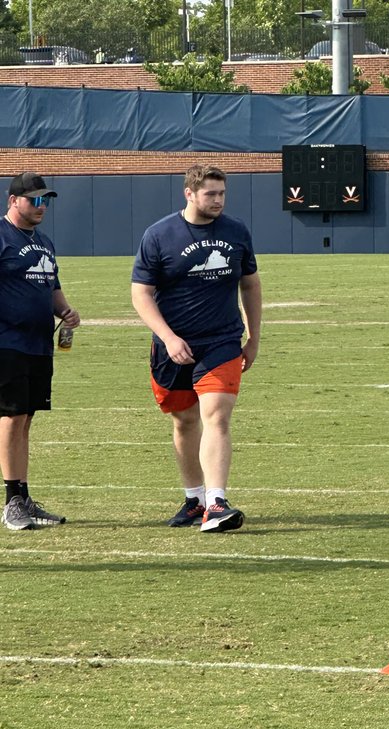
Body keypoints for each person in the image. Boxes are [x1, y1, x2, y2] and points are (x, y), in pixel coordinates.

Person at [131, 163, 262, 532]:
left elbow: (249, 285)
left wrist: (253, 337)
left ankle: (217, 502)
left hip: (221, 342)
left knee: (217, 417)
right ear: (189, 193)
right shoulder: (159, 234)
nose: (218, 200)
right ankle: (195, 499)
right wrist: (169, 338)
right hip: (172, 347)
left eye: (222, 193)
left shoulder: (236, 232)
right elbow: (140, 293)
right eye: (210, 194)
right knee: (185, 420)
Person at [0, 171, 80, 532]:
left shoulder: (43, 242)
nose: (41, 206)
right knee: (12, 417)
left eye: (45, 200)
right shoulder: (2, 236)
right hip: (7, 343)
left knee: (27, 419)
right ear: (13, 200)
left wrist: (65, 310)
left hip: (38, 344)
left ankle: (23, 495)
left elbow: (51, 285)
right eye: (34, 199)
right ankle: (11, 501)